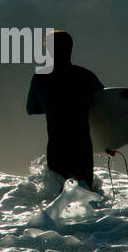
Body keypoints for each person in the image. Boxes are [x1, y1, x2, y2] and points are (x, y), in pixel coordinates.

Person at [26, 30, 104, 189]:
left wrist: (51, 103)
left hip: (57, 148)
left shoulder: (40, 77)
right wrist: (109, 141)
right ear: (70, 49)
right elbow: (105, 105)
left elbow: (32, 108)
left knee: (58, 198)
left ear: (49, 51)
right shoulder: (86, 76)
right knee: (87, 195)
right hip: (82, 148)